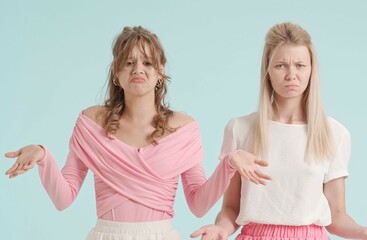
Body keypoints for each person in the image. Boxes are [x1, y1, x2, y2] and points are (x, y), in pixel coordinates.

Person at [4, 26, 270, 240]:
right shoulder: (90, 123)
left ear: (160, 72)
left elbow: (198, 205)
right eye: (128, 62)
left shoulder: (183, 128)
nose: (138, 69)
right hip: (106, 235)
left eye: (147, 62)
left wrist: (229, 163)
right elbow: (64, 198)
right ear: (116, 74)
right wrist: (42, 155)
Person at [190, 22, 367, 240]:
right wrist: (220, 229)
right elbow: (231, 208)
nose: (291, 74)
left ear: (312, 69)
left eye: (300, 65)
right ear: (267, 70)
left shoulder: (335, 134)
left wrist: (364, 232)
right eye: (281, 65)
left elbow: (337, 215)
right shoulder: (239, 129)